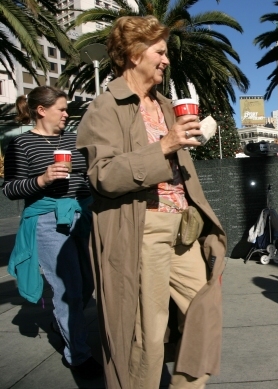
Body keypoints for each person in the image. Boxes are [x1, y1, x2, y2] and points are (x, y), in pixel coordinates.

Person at [75, 16, 227, 389]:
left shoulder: (164, 104)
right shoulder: (105, 108)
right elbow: (103, 175)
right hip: (143, 229)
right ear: (133, 53)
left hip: (184, 228)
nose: (166, 60)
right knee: (147, 335)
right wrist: (165, 145)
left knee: (205, 313)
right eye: (159, 52)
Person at [3, 86, 101, 379]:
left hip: (81, 214)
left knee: (87, 285)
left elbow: (86, 177)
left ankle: (63, 327)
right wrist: (43, 179)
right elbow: (10, 188)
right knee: (67, 289)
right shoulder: (22, 145)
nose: (66, 114)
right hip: (47, 219)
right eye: (60, 109)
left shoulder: (74, 139)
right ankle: (78, 356)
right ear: (41, 111)